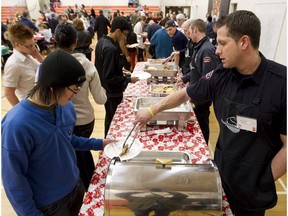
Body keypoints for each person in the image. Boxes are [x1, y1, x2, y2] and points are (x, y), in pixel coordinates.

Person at [134, 10, 286, 216]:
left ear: (244, 42)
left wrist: (264, 179)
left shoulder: (281, 83)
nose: (217, 50)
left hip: (252, 192)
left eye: (223, 43)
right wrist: (152, 110)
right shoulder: (221, 75)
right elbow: (184, 94)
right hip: (221, 177)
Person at [2, 49, 116, 216]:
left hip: (75, 188)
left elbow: (67, 139)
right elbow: (13, 179)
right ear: (52, 86)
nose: (76, 94)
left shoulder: (66, 107)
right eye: (74, 88)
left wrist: (99, 143)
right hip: (49, 205)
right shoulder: (16, 125)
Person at [54, 22, 107, 191]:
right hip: (84, 120)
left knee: (76, 154)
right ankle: (89, 187)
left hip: (61, 121)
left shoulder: (49, 65)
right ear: (75, 42)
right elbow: (100, 99)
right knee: (80, 155)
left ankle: (85, 186)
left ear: (55, 40)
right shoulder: (86, 66)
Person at [95, 17, 139, 137]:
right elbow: (109, 77)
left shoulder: (101, 41)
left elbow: (106, 69)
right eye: (124, 35)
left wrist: (121, 71)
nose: (125, 38)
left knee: (109, 119)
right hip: (112, 92)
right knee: (113, 122)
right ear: (118, 31)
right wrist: (128, 79)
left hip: (105, 89)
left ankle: (107, 141)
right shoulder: (111, 48)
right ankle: (110, 145)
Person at [180, 19, 220, 143]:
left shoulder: (207, 49)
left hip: (200, 99)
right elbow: (195, 70)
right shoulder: (199, 46)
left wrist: (193, 93)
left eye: (190, 32)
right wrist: (184, 79)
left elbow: (207, 79)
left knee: (202, 127)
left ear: (195, 30)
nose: (189, 35)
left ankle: (203, 149)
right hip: (195, 93)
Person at [3, 22, 44, 107]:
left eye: (34, 44)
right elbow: (9, 94)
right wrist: (22, 111)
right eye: (29, 46)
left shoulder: (29, 55)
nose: (33, 48)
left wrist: (38, 56)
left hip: (43, 101)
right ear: (17, 45)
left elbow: (45, 69)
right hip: (32, 107)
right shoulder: (13, 64)